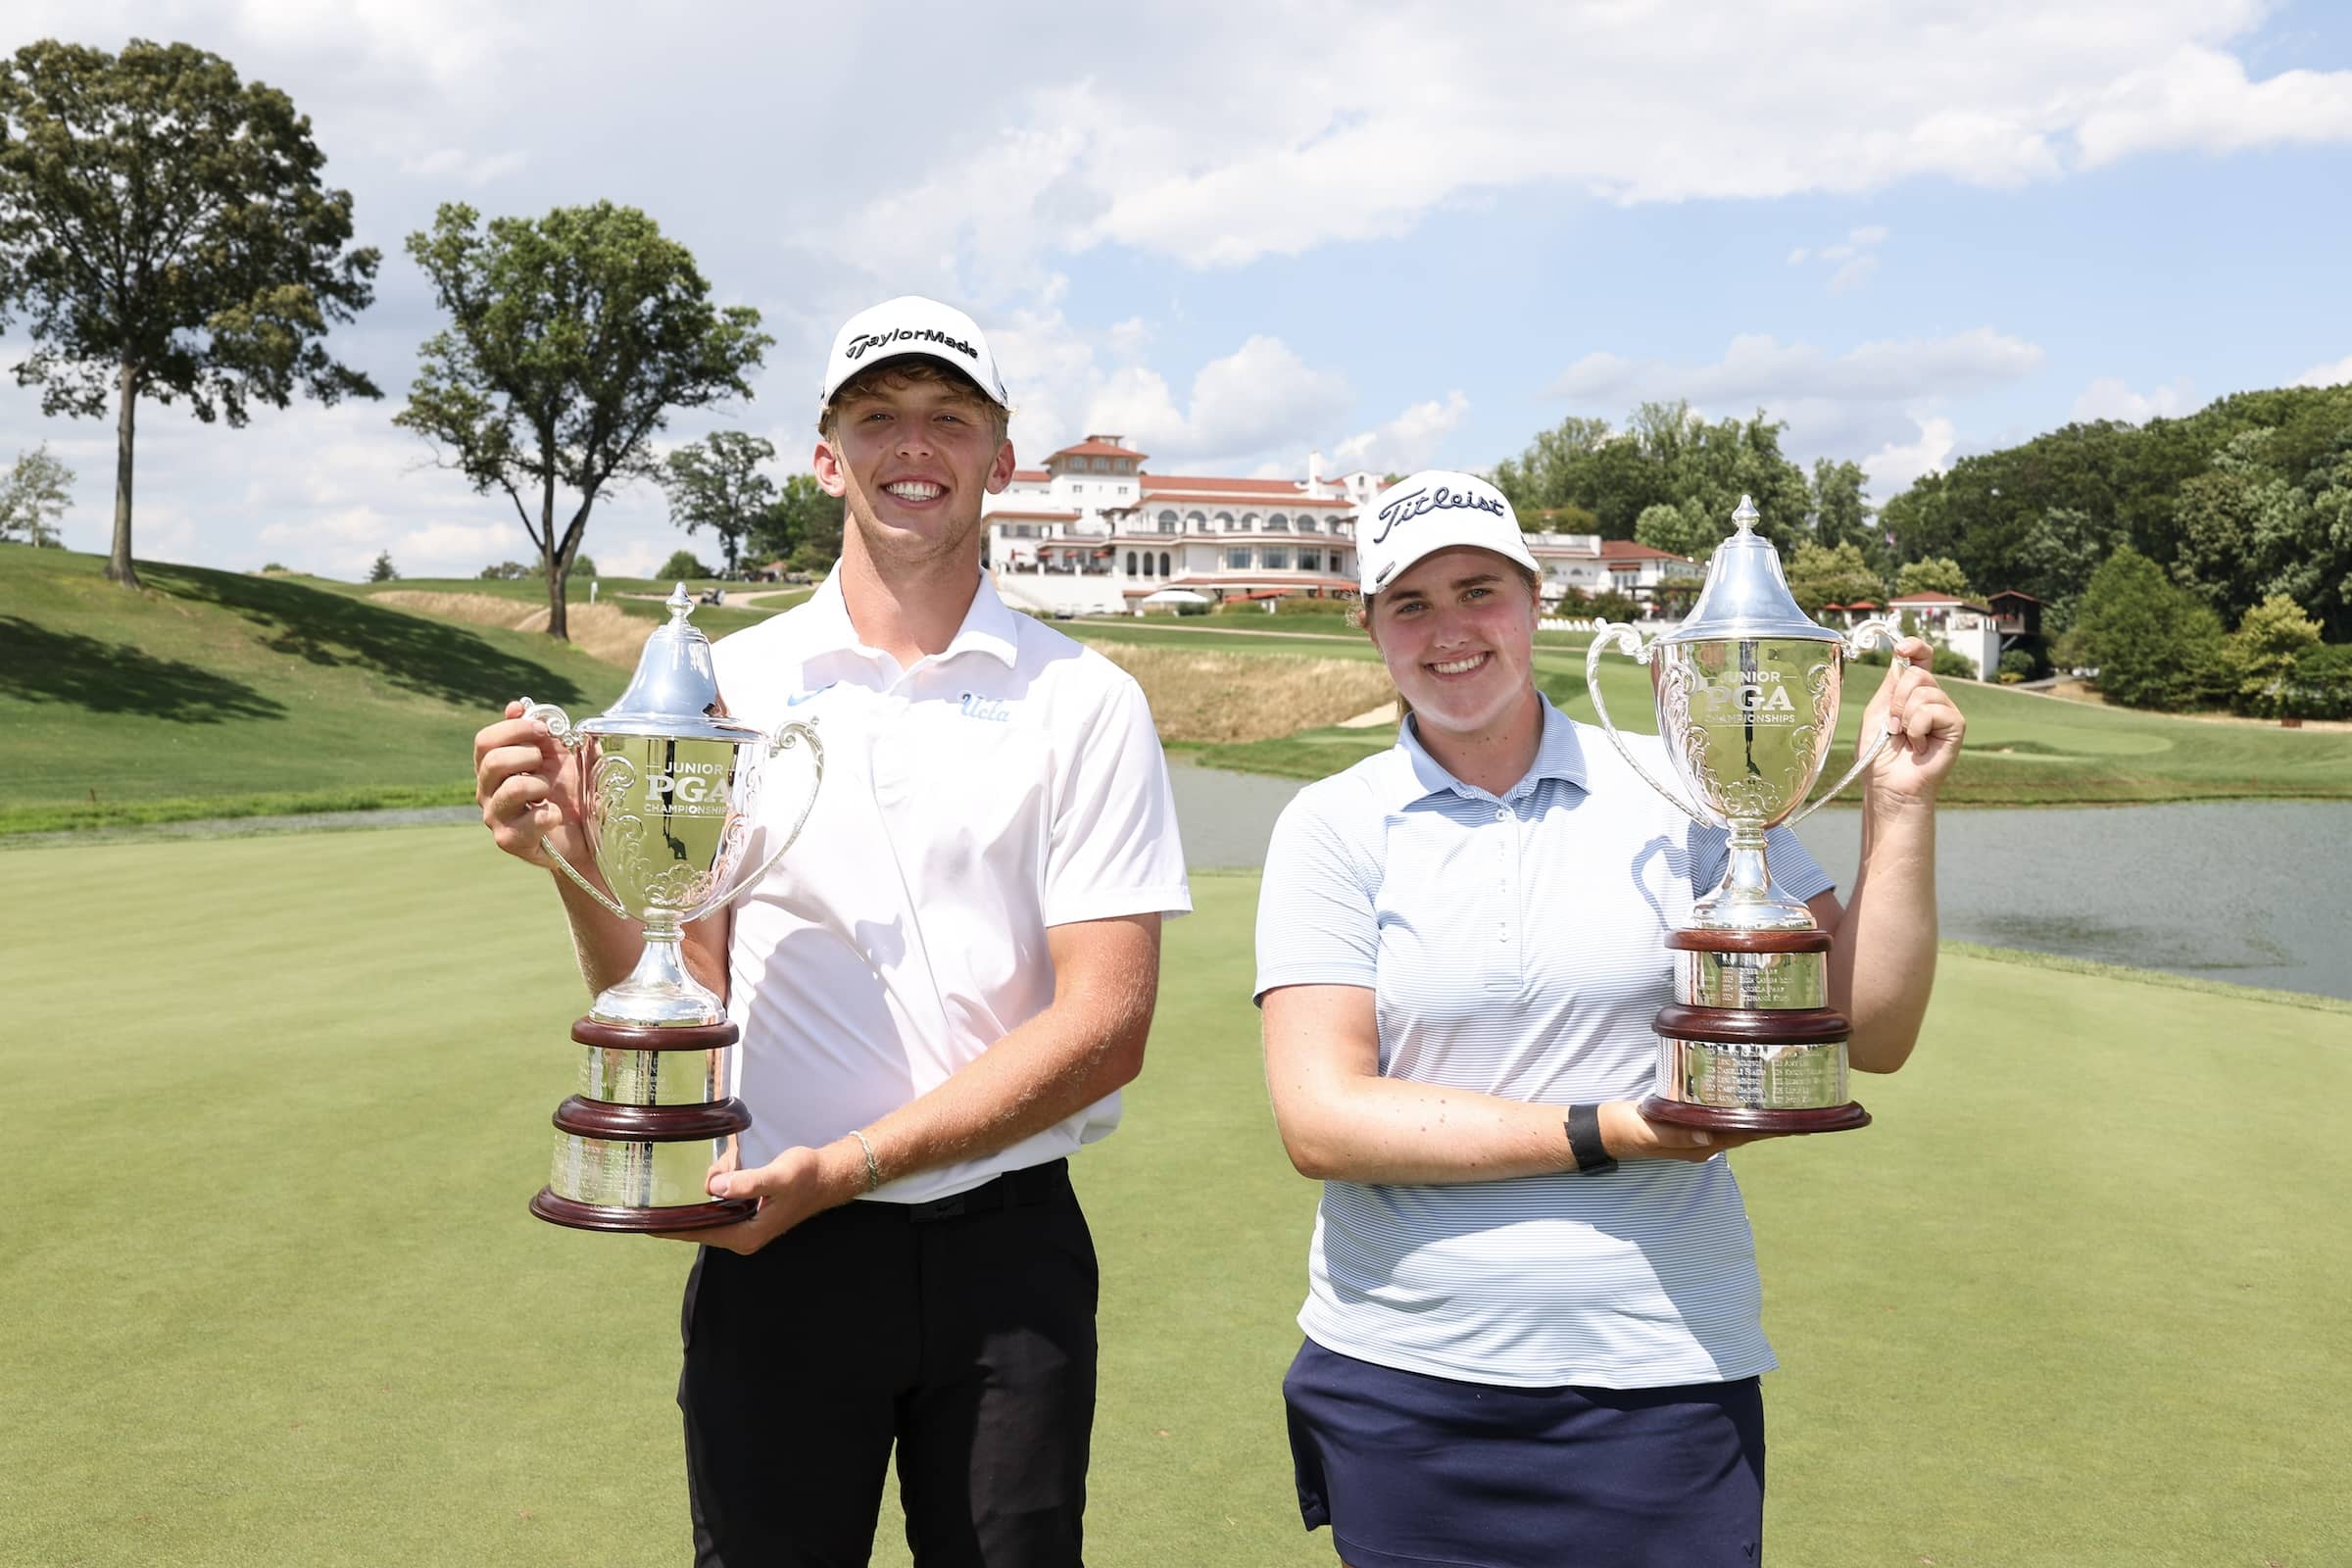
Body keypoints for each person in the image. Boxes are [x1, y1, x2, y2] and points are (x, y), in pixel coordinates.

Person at [473, 295, 1191, 1567]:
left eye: (949, 418)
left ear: (1001, 457)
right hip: (778, 1257)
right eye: (878, 418)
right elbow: (685, 972)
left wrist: (846, 1166)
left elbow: (1105, 1027)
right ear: (828, 456)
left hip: (1003, 1254)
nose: (914, 444)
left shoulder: (1085, 699)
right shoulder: (726, 686)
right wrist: (579, 865)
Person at [1253, 470, 1963, 1568]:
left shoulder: (1676, 787)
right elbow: (1323, 1120)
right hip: (1405, 1385)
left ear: (1536, 601)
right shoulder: (1333, 824)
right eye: (1411, 603)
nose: (1450, 630)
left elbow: (1870, 1028)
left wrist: (1900, 805)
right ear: (1372, 628)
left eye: (1479, 589)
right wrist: (1608, 1130)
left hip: (1663, 1377)